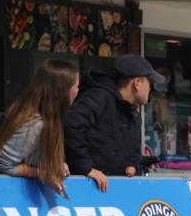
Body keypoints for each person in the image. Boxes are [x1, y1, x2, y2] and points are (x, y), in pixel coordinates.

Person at [64, 54, 160, 192]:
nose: (151, 87)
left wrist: (133, 164)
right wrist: (86, 168)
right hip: (85, 188)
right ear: (137, 83)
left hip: (113, 191)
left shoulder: (133, 110)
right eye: (149, 82)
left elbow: (133, 146)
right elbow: (70, 125)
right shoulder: (99, 97)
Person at [0, 59, 79, 194]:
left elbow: (33, 156)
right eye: (77, 86)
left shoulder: (47, 117)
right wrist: (44, 173)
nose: (78, 90)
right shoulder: (36, 123)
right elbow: (1, 164)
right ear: (63, 90)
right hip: (8, 196)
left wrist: (57, 165)